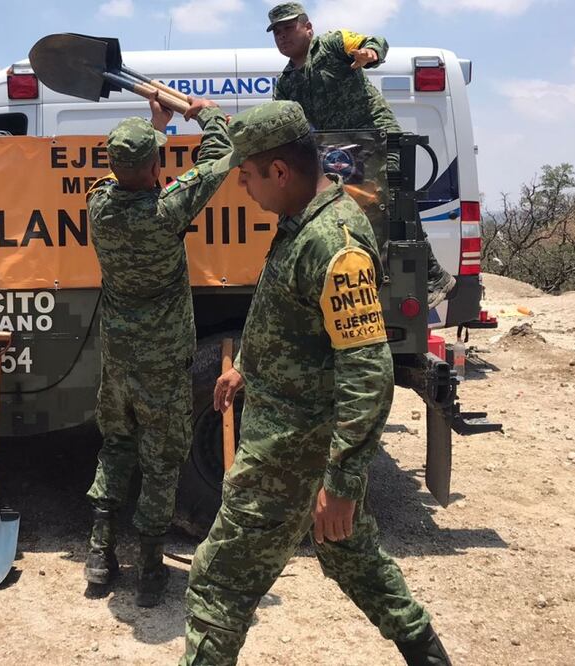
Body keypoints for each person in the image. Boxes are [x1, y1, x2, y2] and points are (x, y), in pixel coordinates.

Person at [179, 101, 451, 665]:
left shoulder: (335, 244)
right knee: (351, 555)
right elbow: (292, 319)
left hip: (289, 451)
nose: (245, 189)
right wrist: (244, 368)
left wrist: (344, 480)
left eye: (247, 177)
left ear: (280, 172)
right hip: (298, 439)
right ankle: (426, 654)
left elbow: (366, 369)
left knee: (218, 583)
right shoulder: (301, 223)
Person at [84, 91, 233, 608]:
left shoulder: (98, 204)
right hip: (165, 365)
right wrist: (206, 115)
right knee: (163, 461)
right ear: (153, 167)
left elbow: (133, 175)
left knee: (116, 449)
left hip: (119, 360)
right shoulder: (169, 209)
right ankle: (149, 573)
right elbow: (217, 159)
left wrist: (155, 127)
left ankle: (99, 559)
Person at [266, 1, 457, 307]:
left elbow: (374, 42)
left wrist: (369, 53)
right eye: (276, 32)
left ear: (308, 27)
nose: (282, 36)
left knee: (393, 199)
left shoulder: (333, 44)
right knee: (352, 212)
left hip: (378, 136)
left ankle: (433, 275)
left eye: (288, 28)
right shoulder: (287, 83)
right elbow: (283, 121)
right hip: (344, 151)